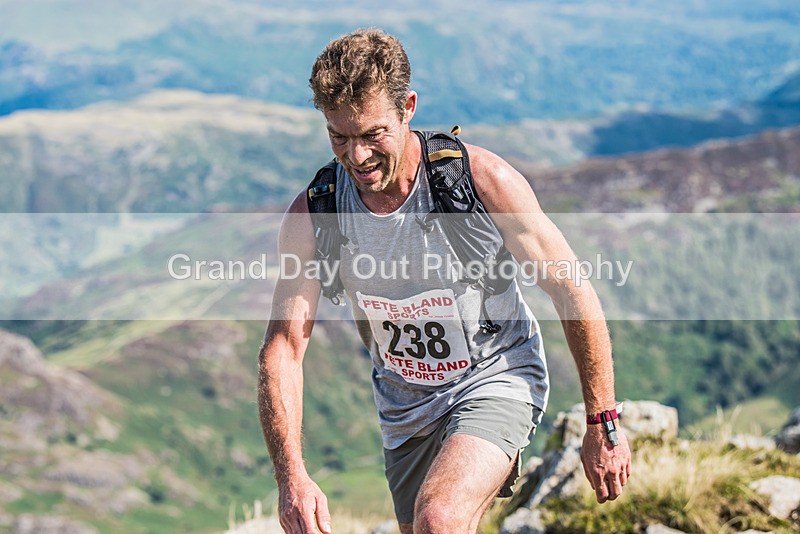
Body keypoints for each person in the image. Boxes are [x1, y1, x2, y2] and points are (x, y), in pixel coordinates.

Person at [258, 28, 632, 534]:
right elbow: (283, 346)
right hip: (405, 410)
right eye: (339, 137)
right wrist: (292, 478)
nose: (357, 156)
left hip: (494, 376)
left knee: (439, 518)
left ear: (408, 108)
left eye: (372, 134)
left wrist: (602, 419)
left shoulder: (480, 182)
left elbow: (571, 288)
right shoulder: (316, 213)